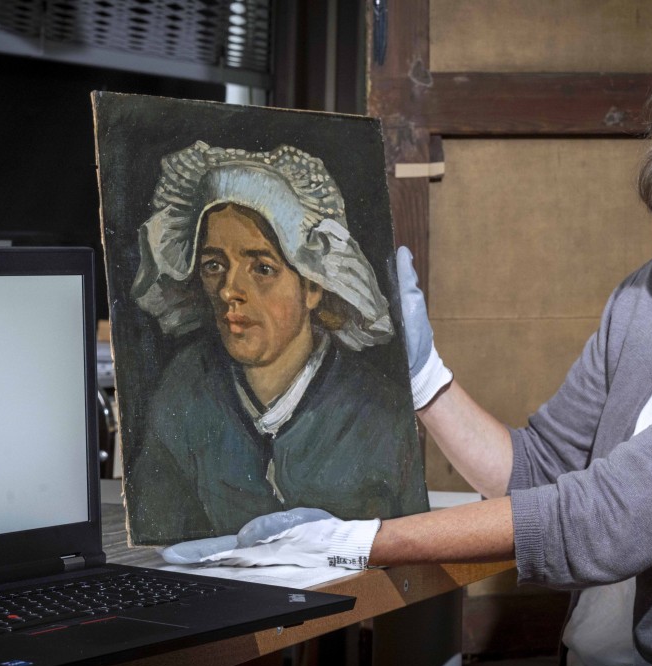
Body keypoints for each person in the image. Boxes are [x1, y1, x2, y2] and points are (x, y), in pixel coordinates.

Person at [162, 9, 652, 666]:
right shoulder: (648, 294)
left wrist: (359, 543)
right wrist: (423, 377)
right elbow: (542, 472)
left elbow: (611, 516)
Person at [124, 141, 429, 544]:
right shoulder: (181, 394)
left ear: (313, 285)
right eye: (214, 265)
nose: (230, 290)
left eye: (262, 268)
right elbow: (161, 537)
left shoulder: (380, 415)